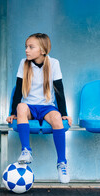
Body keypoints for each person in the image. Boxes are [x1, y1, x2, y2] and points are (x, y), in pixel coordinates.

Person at [6, 33, 72, 184]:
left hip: (46, 107)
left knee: (56, 119)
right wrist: (12, 113)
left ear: (42, 50)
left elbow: (59, 90)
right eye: (26, 47)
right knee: (21, 107)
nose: (26, 50)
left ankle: (62, 163)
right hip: (29, 107)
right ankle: (26, 151)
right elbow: (18, 90)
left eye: (31, 47)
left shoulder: (54, 63)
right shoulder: (24, 63)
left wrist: (64, 114)